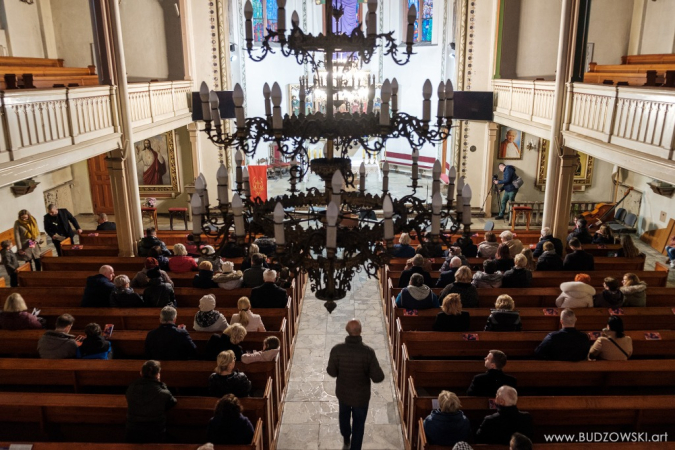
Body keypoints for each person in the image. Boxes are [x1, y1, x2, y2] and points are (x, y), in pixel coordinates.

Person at [326, 319, 385, 450]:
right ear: (360, 331)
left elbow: (332, 372)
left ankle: (346, 437)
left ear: (347, 331)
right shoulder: (368, 352)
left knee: (344, 417)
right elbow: (378, 377)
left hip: (344, 393)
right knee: (359, 424)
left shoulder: (337, 350)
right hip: (361, 396)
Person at [125, 360, 177, 443]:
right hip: (155, 433)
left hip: (132, 432)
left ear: (141, 373)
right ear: (158, 375)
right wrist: (162, 385)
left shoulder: (131, 388)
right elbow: (172, 402)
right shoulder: (163, 393)